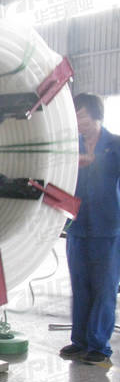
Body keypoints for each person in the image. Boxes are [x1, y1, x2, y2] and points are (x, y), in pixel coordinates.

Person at [60, 93, 120, 366]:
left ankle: (98, 345)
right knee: (80, 285)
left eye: (81, 115)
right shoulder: (71, 148)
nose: (77, 121)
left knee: (104, 288)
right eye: (74, 116)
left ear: (96, 115)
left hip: (109, 228)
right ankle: (80, 341)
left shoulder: (115, 145)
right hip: (78, 227)